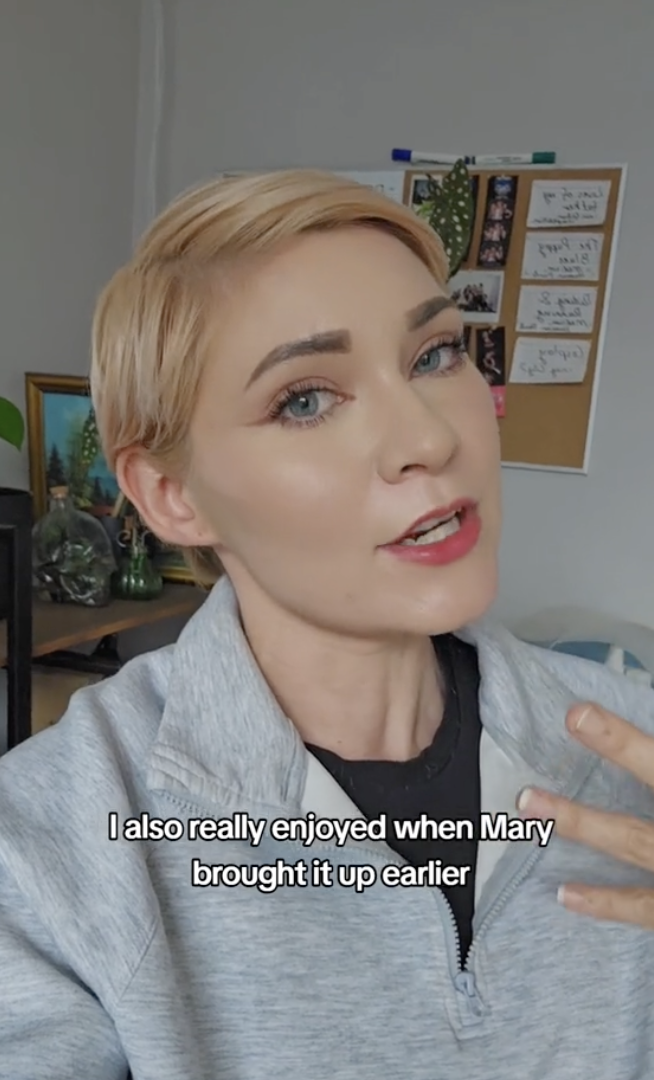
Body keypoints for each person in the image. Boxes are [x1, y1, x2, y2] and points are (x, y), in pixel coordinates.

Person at [1, 169, 654, 1079]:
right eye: (305, 399)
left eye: (434, 355)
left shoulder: (634, 755)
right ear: (172, 495)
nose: (429, 437)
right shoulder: (45, 849)